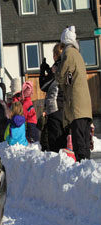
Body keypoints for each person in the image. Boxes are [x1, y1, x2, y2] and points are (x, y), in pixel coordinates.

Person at [55, 26, 92, 162]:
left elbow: (62, 75)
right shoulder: (78, 54)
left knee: (79, 142)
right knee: (84, 141)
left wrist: (56, 71)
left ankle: (82, 167)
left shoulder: (69, 53)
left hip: (77, 105)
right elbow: (69, 77)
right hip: (85, 106)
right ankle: (86, 169)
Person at [39, 43, 67, 152]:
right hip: (63, 106)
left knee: (55, 141)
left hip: (55, 107)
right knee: (62, 138)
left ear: (56, 54)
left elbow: (44, 85)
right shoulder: (65, 65)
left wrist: (43, 72)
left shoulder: (58, 67)